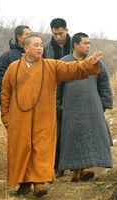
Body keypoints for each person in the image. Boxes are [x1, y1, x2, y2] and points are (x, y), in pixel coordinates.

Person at [1, 34, 103, 197]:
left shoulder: (51, 66)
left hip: (44, 118)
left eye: (41, 44)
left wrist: (89, 63)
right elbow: (5, 93)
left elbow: (72, 69)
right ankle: (24, 183)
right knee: (21, 150)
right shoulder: (13, 67)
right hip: (19, 119)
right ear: (26, 48)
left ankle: (39, 183)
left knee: (41, 149)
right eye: (35, 45)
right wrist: (6, 117)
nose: (40, 47)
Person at [57, 32, 113, 182]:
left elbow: (104, 83)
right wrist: (57, 106)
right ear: (75, 44)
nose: (88, 46)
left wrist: (105, 103)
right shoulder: (64, 62)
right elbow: (57, 87)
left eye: (89, 43)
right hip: (70, 107)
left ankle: (85, 168)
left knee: (90, 135)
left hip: (92, 106)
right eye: (85, 43)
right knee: (74, 137)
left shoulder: (95, 62)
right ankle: (77, 170)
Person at [43, 18, 72, 177]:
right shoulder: (46, 48)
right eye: (55, 34)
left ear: (67, 30)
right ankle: (57, 165)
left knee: (72, 129)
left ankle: (75, 165)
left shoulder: (76, 45)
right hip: (53, 91)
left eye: (60, 33)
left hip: (72, 89)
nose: (58, 37)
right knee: (56, 130)